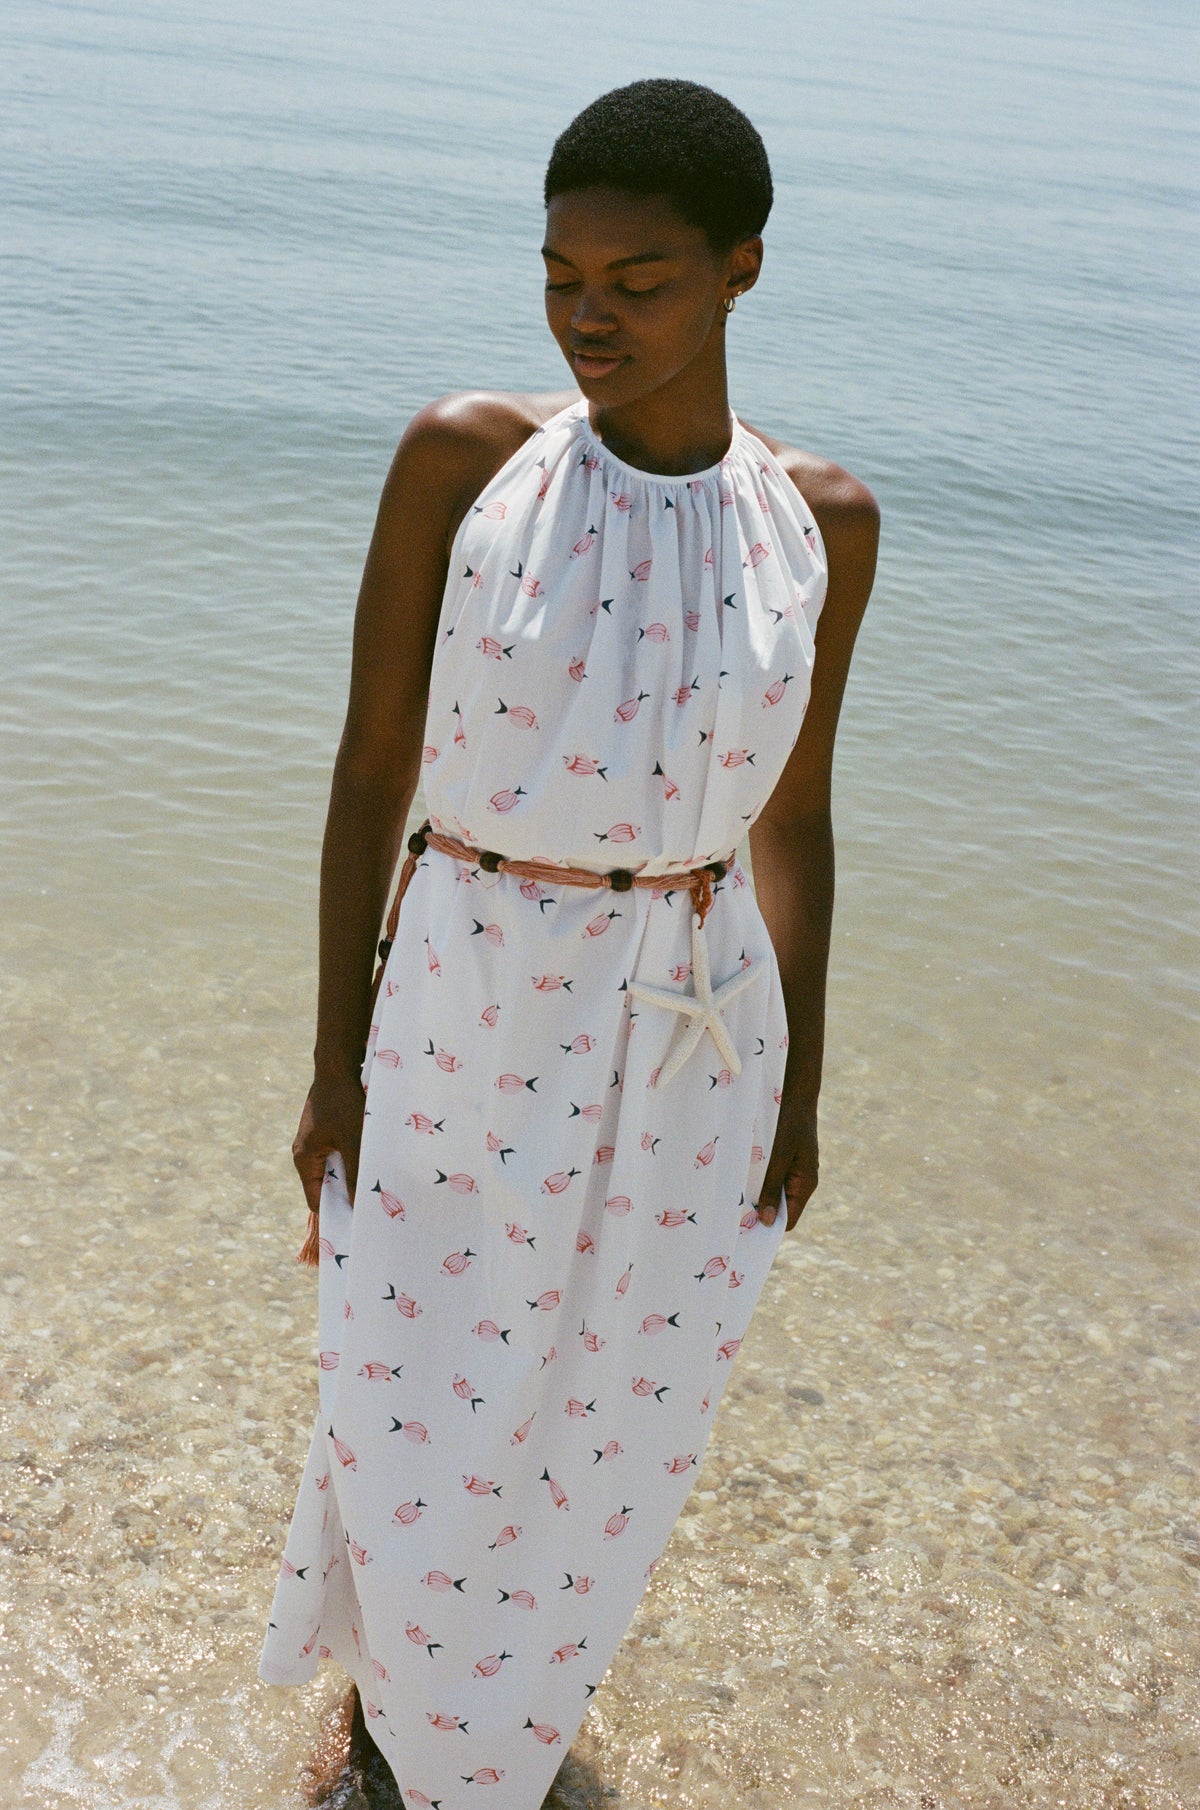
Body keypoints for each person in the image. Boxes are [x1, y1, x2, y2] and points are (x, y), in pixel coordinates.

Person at [258, 76, 879, 1810]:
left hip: (697, 1016)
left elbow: (797, 819)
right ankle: (397, 1737)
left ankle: (495, 1733)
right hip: (470, 983)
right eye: (562, 274)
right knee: (420, 1389)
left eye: (643, 277)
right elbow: (373, 768)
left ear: (744, 268)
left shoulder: (822, 523)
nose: (590, 314)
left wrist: (803, 1084)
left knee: (614, 1417)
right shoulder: (465, 463)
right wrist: (331, 1061)